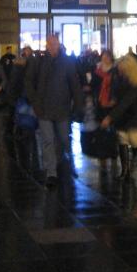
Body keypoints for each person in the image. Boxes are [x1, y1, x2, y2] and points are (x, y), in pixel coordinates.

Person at [25, 34, 84, 189]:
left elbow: (75, 85)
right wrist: (34, 100)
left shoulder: (67, 62)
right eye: (50, 44)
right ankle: (51, 172)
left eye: (55, 44)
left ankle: (61, 160)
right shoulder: (39, 62)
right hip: (43, 108)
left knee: (63, 138)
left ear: (59, 45)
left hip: (62, 108)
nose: (53, 46)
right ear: (47, 45)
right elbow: (29, 81)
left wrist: (78, 105)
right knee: (48, 140)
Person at [101, 54, 137, 181]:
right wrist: (111, 102)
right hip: (121, 116)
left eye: (122, 69)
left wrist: (110, 117)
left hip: (134, 115)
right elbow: (115, 95)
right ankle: (125, 171)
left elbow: (126, 102)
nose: (120, 71)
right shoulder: (118, 78)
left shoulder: (136, 83)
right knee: (122, 140)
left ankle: (134, 157)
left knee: (134, 140)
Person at [91, 49, 116, 122]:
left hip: (111, 99)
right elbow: (93, 84)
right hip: (99, 98)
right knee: (100, 118)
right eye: (104, 57)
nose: (105, 59)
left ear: (111, 58)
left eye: (107, 57)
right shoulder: (97, 70)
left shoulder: (115, 70)